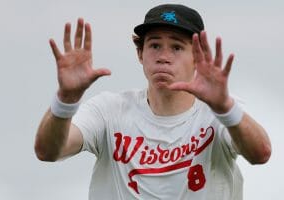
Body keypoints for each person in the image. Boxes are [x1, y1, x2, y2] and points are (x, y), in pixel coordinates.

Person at [34, 4, 271, 200]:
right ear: (140, 54)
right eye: (154, 45)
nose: (164, 57)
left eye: (177, 47)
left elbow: (260, 153)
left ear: (198, 58)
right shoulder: (109, 110)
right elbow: (48, 151)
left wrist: (225, 109)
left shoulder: (220, 112)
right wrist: (66, 99)